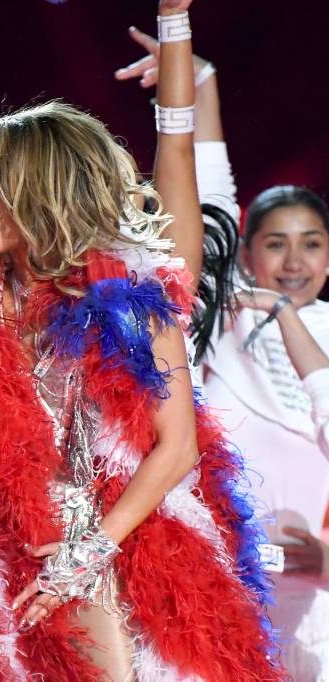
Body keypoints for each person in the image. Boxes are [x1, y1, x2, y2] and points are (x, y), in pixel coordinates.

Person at [0, 8, 281, 680]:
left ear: (39, 193)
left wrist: (86, 554)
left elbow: (177, 445)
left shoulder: (129, 296)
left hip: (87, 545)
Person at [117, 24, 329, 679]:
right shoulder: (223, 318)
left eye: (312, 243)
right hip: (223, 600)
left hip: (317, 611)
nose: (294, 260)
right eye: (275, 243)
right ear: (245, 252)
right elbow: (207, 190)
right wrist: (198, 84)